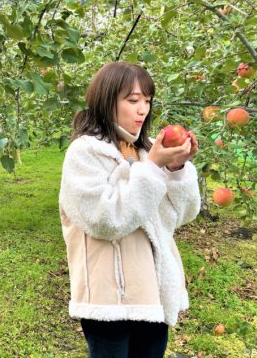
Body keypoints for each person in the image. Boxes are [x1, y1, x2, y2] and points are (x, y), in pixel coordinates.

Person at [58, 62, 200, 358]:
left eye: (147, 101)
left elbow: (182, 215)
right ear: (107, 100)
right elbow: (104, 219)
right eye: (133, 100)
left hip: (152, 291)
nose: (142, 109)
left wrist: (176, 170)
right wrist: (152, 169)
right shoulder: (85, 153)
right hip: (109, 296)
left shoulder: (146, 151)